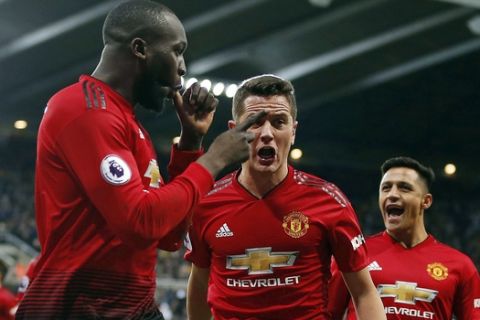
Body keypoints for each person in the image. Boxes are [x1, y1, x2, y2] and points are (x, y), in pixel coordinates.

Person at [15, 1, 265, 319]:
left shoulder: (129, 125)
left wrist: (191, 143)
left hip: (128, 307)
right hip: (79, 307)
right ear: (140, 48)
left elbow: (169, 235)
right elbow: (139, 223)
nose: (183, 67)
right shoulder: (84, 110)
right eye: (177, 51)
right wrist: (214, 159)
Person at [184, 74, 386, 320]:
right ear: (234, 131)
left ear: (293, 132)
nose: (267, 133)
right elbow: (199, 288)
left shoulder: (329, 201)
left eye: (279, 122)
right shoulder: (207, 203)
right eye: (255, 122)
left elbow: (364, 292)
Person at [328, 156, 480, 319]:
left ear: (426, 201)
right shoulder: (354, 253)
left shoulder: (460, 266)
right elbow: (326, 313)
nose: (392, 194)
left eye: (404, 188)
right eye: (385, 188)